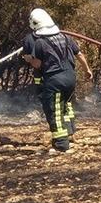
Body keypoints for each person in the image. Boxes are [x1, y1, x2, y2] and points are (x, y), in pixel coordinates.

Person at [22, 8, 93, 152]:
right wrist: (87, 70)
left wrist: (28, 59)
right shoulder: (66, 37)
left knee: (54, 110)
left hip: (54, 80)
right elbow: (79, 55)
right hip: (70, 78)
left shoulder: (40, 43)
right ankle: (70, 132)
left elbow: (37, 64)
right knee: (66, 105)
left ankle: (61, 142)